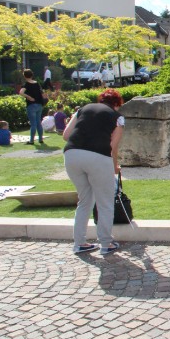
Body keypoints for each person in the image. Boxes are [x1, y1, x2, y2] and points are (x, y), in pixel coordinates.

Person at [63, 88, 124, 255]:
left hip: (72, 154)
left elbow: (66, 135)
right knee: (105, 202)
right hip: (98, 156)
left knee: (84, 200)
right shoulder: (117, 117)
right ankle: (106, 243)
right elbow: (113, 146)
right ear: (117, 104)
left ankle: (79, 243)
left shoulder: (83, 109)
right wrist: (115, 167)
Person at [18, 69, 45, 145]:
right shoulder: (37, 83)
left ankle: (31, 140)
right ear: (32, 75)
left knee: (33, 124)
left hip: (31, 105)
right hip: (39, 104)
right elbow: (42, 93)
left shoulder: (26, 84)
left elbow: (21, 92)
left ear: (24, 76)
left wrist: (28, 97)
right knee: (38, 123)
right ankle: (40, 139)